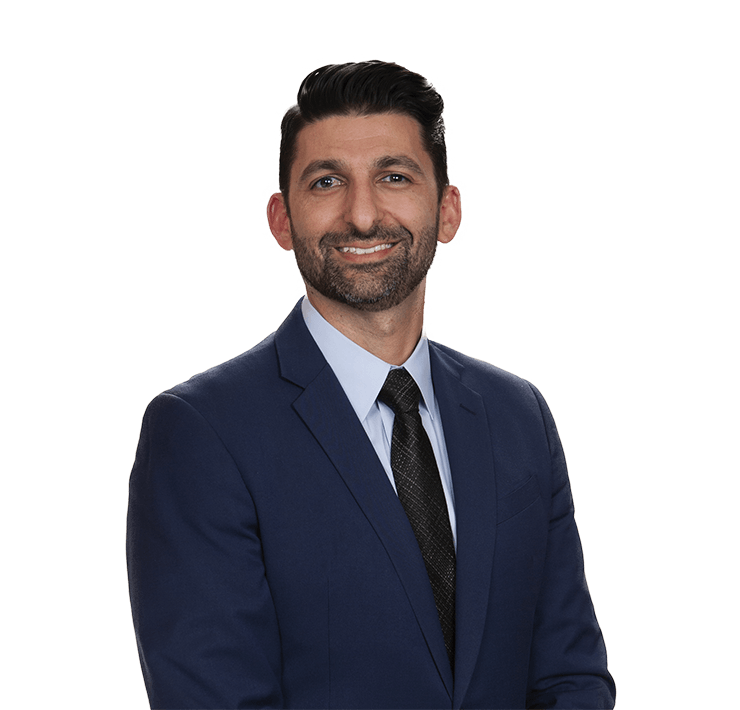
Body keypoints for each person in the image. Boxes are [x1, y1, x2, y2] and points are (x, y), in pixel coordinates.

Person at [126, 60, 616, 710]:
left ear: (448, 210)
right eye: (326, 182)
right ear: (280, 219)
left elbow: (569, 678)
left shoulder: (518, 414)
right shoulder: (202, 433)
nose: (361, 215)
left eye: (395, 177)